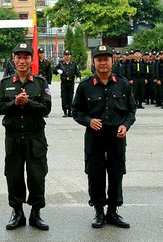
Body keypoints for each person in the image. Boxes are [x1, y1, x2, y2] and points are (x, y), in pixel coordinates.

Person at [72, 45, 136, 229]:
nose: (102, 63)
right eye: (99, 59)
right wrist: (88, 121)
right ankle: (99, 211)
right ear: (93, 62)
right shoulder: (85, 86)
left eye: (106, 59)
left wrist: (126, 125)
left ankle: (113, 212)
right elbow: (76, 111)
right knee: (96, 174)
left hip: (116, 137)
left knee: (116, 173)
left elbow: (132, 110)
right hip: (95, 137)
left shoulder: (123, 84)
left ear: (112, 61)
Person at [0, 42, 52, 231]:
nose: (22, 61)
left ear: (31, 60)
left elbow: (46, 108)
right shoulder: (5, 84)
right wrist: (14, 103)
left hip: (35, 138)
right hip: (13, 138)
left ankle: (36, 214)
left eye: (26, 57)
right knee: (14, 175)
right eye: (18, 57)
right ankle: (17, 213)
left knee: (37, 175)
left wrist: (28, 103)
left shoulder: (41, 83)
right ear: (13, 60)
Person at [53, 50, 81, 117]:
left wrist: (78, 77)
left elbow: (77, 72)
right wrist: (57, 70)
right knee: (64, 97)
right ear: (64, 56)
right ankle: (65, 111)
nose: (67, 56)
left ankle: (70, 111)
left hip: (71, 82)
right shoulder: (61, 64)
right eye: (65, 55)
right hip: (64, 82)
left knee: (70, 97)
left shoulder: (73, 64)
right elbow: (54, 70)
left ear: (70, 56)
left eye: (68, 55)